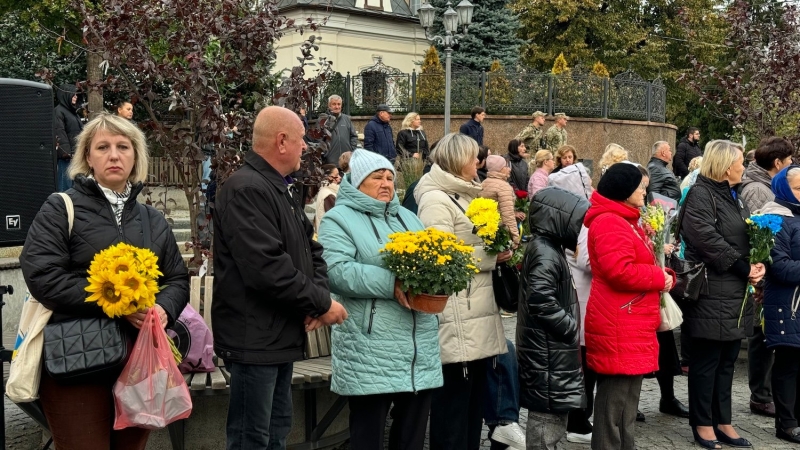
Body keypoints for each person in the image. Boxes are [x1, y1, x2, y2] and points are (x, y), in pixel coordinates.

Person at [19, 113, 189, 450]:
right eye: (103, 147)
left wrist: (163, 309)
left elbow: (177, 279)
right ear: (87, 157)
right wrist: (115, 304)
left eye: (123, 146)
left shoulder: (153, 220)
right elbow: (43, 276)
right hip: (76, 361)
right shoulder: (60, 209)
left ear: (136, 157)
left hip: (140, 364)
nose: (114, 155)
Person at [212, 106, 348, 450]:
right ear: (282, 141)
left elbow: (311, 250)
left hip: (276, 336)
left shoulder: (276, 188)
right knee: (252, 439)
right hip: (254, 340)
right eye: (302, 139)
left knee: (275, 434)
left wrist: (317, 297)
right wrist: (322, 304)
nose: (305, 147)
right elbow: (267, 269)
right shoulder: (247, 188)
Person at [317, 149, 442, 450]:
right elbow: (337, 272)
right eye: (377, 177)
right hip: (371, 348)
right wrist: (393, 282)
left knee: (410, 438)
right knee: (367, 438)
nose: (386, 183)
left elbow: (430, 262)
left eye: (389, 177)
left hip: (418, 347)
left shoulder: (409, 218)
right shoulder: (339, 219)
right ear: (357, 182)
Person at [415, 133, 512, 450]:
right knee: (452, 413)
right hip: (457, 319)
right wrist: (490, 256)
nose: (478, 163)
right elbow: (440, 257)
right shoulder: (436, 199)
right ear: (458, 161)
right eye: (473, 158)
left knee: (471, 412)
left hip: (475, 315)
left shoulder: (465, 196)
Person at [583, 162, 675, 450]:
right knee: (614, 404)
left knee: (626, 404)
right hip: (619, 320)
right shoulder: (610, 221)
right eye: (640, 187)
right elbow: (619, 271)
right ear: (624, 191)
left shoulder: (626, 219)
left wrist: (663, 275)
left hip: (628, 319)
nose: (645, 191)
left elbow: (639, 263)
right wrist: (658, 277)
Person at [680, 140, 763, 449]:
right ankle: (703, 424)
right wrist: (743, 267)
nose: (744, 166)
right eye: (741, 161)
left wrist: (757, 260)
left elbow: (743, 234)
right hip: (711, 291)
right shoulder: (702, 193)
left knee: (727, 360)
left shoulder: (732, 194)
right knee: (706, 362)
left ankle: (723, 420)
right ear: (728, 166)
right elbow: (706, 240)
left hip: (733, 292)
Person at [519, 187, 590, 450]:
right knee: (546, 421)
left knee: (552, 416)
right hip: (547, 351)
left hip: (550, 350)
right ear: (560, 219)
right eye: (578, 222)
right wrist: (570, 328)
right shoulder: (546, 251)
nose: (581, 229)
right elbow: (540, 298)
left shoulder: (549, 248)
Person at [740, 137, 794, 418]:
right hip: (762, 277)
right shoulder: (761, 191)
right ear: (778, 164)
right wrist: (760, 279)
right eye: (789, 162)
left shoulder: (760, 184)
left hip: (764, 274)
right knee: (763, 336)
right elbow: (761, 237)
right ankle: (761, 394)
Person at [760, 165, 800, 444]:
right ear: (784, 189)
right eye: (798, 187)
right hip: (787, 303)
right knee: (788, 364)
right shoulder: (776, 217)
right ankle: (786, 423)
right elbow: (780, 267)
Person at [481, 155, 521, 247]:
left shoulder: (484, 183)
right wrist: (515, 238)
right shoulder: (503, 187)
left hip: (485, 230)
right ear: (499, 168)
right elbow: (508, 215)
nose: (509, 169)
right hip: (500, 233)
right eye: (506, 166)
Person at [54, 83, 83, 192]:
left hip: (76, 156)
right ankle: (63, 209)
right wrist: (67, 153)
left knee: (75, 188)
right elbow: (59, 132)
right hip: (67, 158)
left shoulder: (73, 113)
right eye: (73, 94)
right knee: (65, 189)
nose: (75, 97)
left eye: (76, 95)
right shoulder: (58, 111)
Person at [324, 95, 359, 166]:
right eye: (334, 104)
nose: (337, 107)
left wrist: (351, 150)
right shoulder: (323, 120)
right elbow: (319, 139)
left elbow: (353, 136)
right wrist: (325, 154)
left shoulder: (346, 119)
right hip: (330, 161)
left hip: (346, 161)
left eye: (339, 104)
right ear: (329, 105)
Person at [313, 164, 342, 233]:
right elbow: (336, 219)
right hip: (329, 235)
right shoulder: (329, 195)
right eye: (337, 175)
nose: (340, 177)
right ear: (329, 177)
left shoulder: (326, 191)